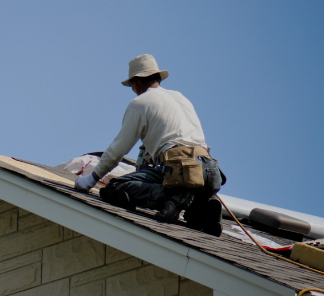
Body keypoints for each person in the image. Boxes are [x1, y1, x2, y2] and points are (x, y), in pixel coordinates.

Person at [74, 54, 224, 236]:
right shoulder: (180, 98)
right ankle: (202, 204)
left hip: (179, 170)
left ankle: (170, 197)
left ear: (136, 82)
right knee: (194, 219)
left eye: (131, 86)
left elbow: (118, 150)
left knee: (115, 188)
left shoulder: (140, 103)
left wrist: (91, 179)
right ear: (157, 77)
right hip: (209, 172)